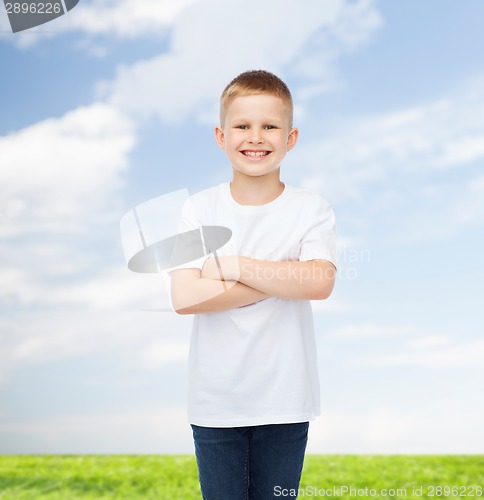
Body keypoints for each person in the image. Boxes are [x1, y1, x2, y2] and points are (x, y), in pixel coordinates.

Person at [170, 69, 337, 500]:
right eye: (242, 126)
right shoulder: (199, 208)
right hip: (214, 400)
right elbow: (185, 296)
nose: (255, 137)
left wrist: (232, 265)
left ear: (291, 137)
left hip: (286, 398)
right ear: (221, 136)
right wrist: (284, 277)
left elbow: (319, 282)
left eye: (270, 126)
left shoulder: (310, 208)